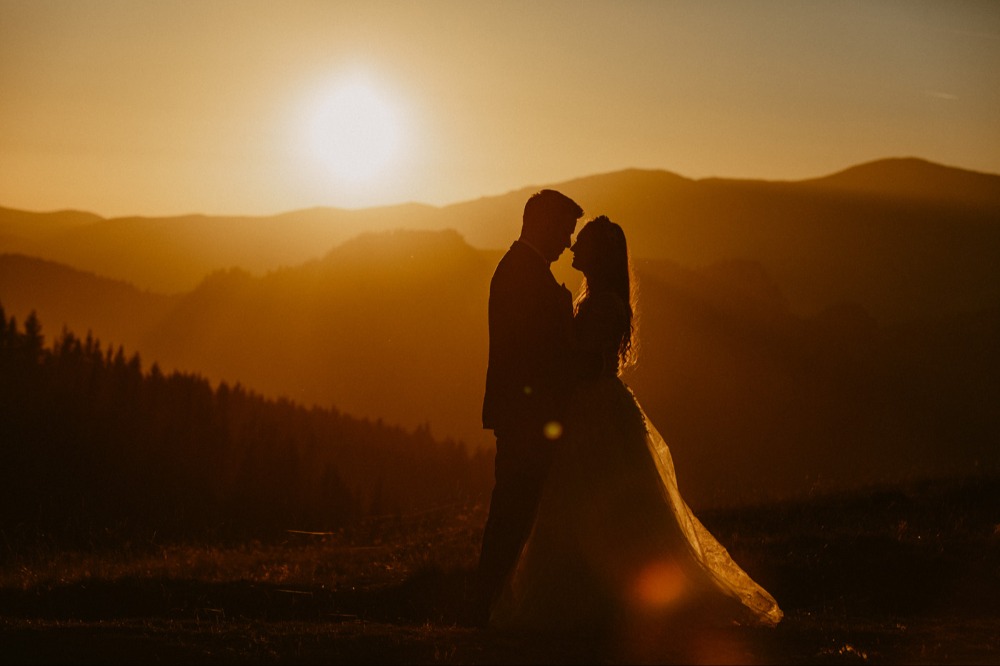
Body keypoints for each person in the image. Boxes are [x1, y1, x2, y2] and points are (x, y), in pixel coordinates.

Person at [489, 215, 783, 637]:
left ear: (599, 255)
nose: (573, 248)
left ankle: (606, 596)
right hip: (590, 408)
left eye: (583, 243)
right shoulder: (597, 299)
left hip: (595, 410)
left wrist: (556, 332)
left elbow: (586, 361)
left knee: (598, 502)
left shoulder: (604, 304)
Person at [474, 189, 585, 626]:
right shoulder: (522, 273)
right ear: (542, 224)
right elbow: (532, 355)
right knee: (512, 516)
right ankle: (485, 605)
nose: (568, 243)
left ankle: (493, 604)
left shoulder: (522, 269)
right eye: (564, 230)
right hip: (526, 419)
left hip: (526, 417)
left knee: (518, 514)